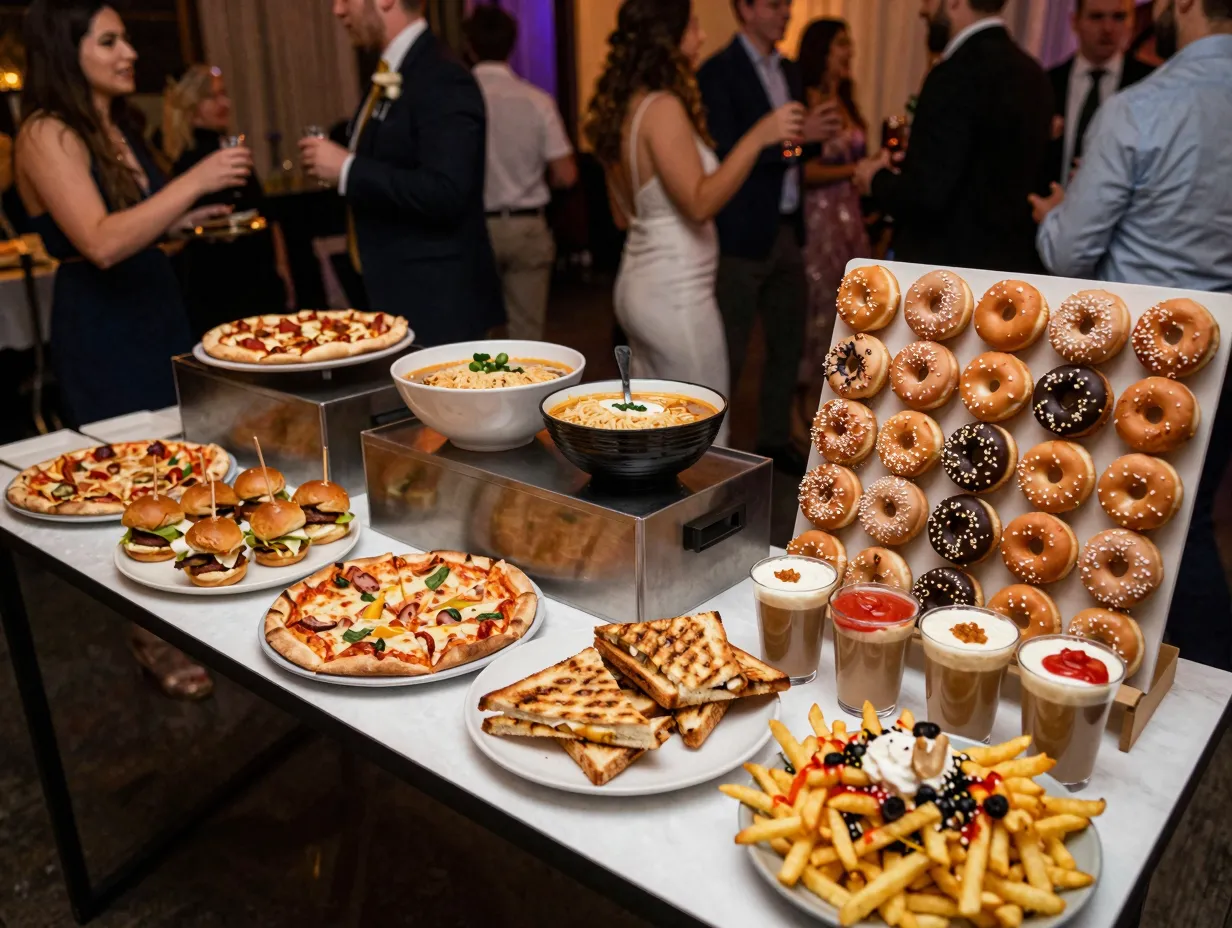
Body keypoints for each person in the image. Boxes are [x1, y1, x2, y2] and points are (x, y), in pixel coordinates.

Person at [16, 0, 253, 700]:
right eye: (111, 41)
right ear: (69, 47)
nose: (130, 54)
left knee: (182, 469)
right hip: (104, 326)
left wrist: (188, 219)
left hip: (156, 308)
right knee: (130, 485)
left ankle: (182, 605)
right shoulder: (45, 132)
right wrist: (195, 182)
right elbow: (99, 240)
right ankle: (148, 636)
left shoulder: (112, 126)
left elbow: (137, 227)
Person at [1031, 0, 1232, 670]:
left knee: (1123, 527)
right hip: (1230, 345)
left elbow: (1069, 256)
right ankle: (1208, 698)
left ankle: (1094, 674)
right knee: (1196, 521)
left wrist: (1056, 213)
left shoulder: (1143, 107)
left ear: (1188, 6)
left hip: (1148, 362)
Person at [583, 0, 805, 422]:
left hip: (639, 286)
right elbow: (700, 203)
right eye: (693, 28)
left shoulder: (625, 108)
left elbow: (619, 216)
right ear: (668, 40)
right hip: (677, 297)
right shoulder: (662, 108)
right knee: (702, 433)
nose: (701, 37)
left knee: (653, 426)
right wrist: (758, 137)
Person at [302, 0, 502, 345]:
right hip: (395, 295)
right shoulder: (391, 72)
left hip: (437, 307)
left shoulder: (443, 75)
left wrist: (347, 168)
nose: (337, 10)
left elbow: (447, 190)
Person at [698, 0, 843, 470]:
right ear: (745, 9)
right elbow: (729, 151)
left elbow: (791, 148)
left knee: (789, 339)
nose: (786, 13)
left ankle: (775, 438)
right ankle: (717, 446)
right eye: (775, 5)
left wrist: (812, 139)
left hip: (788, 226)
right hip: (740, 231)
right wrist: (793, 146)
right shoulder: (718, 71)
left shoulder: (790, 69)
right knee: (732, 345)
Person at [851, 0, 1053, 274]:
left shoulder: (953, 75)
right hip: (1006, 270)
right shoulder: (1033, 73)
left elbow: (926, 195)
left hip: (947, 276)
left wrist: (874, 179)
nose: (923, 11)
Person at [463, 6, 577, 341]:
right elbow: (567, 174)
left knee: (475, 336)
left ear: (469, 46)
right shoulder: (537, 100)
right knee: (527, 338)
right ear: (512, 45)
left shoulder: (460, 99)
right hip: (527, 225)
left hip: (475, 228)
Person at [159, 65, 294, 339]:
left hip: (256, 276)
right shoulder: (187, 162)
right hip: (216, 285)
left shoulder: (229, 151)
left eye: (225, 95)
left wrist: (282, 269)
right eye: (214, 97)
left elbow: (267, 214)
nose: (226, 103)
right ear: (192, 105)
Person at [794, 18, 871, 453]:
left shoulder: (847, 98)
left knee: (851, 312)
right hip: (819, 220)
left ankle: (841, 396)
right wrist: (853, 170)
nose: (848, 53)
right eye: (841, 45)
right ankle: (800, 407)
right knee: (815, 314)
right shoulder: (804, 99)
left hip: (851, 220)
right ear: (821, 50)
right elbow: (798, 165)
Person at [1048, 0, 1154, 187]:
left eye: (1118, 17)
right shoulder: (1048, 83)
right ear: (1075, 22)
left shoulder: (1150, 85)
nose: (1107, 28)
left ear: (1131, 22)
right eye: (1096, 17)